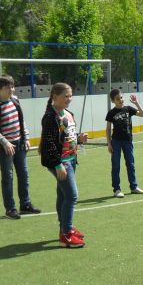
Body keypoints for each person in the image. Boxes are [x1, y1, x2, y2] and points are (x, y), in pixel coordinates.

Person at [40, 83, 88, 248]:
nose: (69, 99)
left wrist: (79, 139)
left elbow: (67, 136)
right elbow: (49, 144)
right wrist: (58, 164)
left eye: (70, 95)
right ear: (55, 97)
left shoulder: (68, 113)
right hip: (61, 162)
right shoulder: (50, 117)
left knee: (63, 195)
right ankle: (66, 235)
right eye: (65, 96)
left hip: (71, 159)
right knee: (72, 196)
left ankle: (64, 228)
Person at [0, 75, 40, 220]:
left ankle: (25, 205)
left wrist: (26, 137)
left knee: (24, 174)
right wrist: (5, 142)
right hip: (5, 147)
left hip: (20, 143)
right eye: (7, 88)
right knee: (8, 177)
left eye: (12, 86)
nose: (12, 89)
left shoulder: (15, 100)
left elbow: (22, 121)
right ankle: (10, 209)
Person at [105, 89, 143, 198]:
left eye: (121, 97)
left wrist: (136, 103)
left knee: (130, 164)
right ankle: (117, 189)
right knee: (116, 165)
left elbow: (142, 114)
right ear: (113, 101)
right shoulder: (111, 113)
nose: (120, 100)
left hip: (128, 141)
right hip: (116, 142)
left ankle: (134, 187)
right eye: (117, 99)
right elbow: (108, 129)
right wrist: (109, 143)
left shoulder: (128, 109)